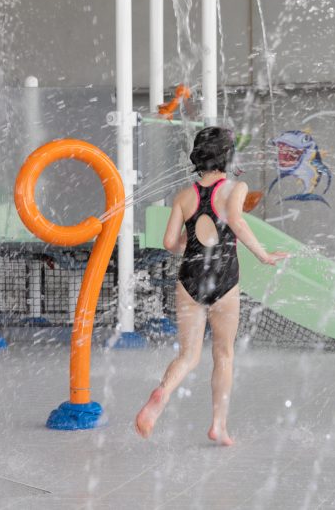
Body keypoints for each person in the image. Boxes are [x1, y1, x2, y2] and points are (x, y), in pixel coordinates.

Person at [135, 126, 288, 446]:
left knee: (188, 355)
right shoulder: (235, 188)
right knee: (224, 354)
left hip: (190, 279)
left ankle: (161, 395)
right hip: (224, 280)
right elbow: (236, 220)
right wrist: (264, 256)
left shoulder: (184, 196)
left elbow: (168, 242)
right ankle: (218, 425)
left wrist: (193, 241)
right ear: (226, 155)